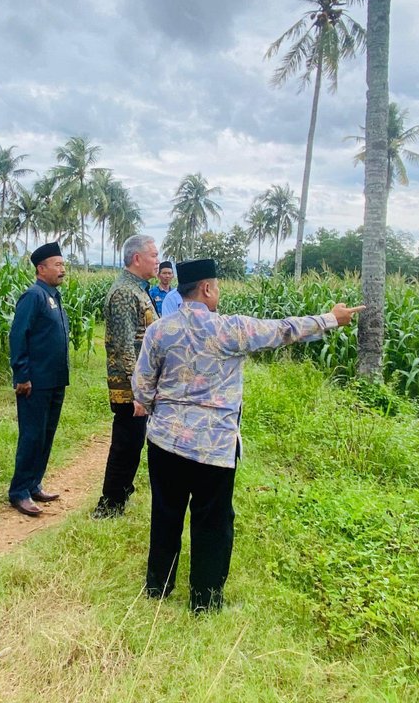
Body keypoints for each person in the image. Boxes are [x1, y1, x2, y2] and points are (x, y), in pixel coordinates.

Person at [133, 258, 363, 613]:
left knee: (166, 513)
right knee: (212, 521)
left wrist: (156, 409)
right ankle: (205, 601)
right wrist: (331, 319)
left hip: (165, 442)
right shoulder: (230, 329)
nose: (218, 293)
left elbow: (143, 384)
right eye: (217, 287)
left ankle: (157, 587)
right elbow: (282, 330)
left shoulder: (159, 330)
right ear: (207, 289)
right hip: (213, 447)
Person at [93, 234, 159, 518]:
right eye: (154, 255)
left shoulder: (139, 289)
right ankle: (109, 505)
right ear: (137, 258)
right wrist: (138, 392)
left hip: (138, 386)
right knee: (125, 444)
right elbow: (123, 347)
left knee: (133, 443)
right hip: (128, 389)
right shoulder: (124, 292)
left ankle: (121, 494)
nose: (158, 260)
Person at [6, 241, 70, 517]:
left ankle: (34, 484)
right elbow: (18, 336)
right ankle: (19, 491)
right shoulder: (33, 296)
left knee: (46, 435)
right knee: (32, 436)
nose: (62, 269)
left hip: (55, 380)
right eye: (57, 265)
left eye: (62, 264)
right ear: (41, 268)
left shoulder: (53, 295)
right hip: (35, 382)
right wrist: (22, 375)